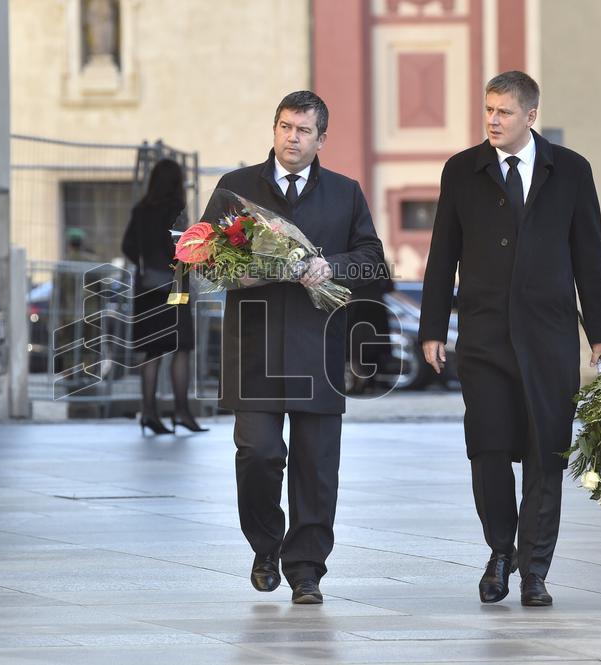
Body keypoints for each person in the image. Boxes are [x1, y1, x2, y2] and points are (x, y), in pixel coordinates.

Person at [419, 71, 601, 607]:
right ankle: (499, 550)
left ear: (530, 115)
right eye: (488, 109)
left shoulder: (572, 171)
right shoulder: (462, 170)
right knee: (486, 450)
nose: (492, 120)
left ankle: (534, 568)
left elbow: (589, 257)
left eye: (504, 112)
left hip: (550, 337)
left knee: (544, 452)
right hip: (483, 336)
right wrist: (433, 327)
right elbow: (442, 254)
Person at [203, 91, 383, 604]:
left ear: (321, 138)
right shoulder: (236, 189)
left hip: (319, 350)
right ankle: (265, 545)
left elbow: (373, 259)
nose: (292, 137)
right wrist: (248, 266)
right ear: (274, 129)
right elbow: (205, 256)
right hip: (253, 348)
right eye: (285, 127)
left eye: (304, 130)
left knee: (317, 466)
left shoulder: (345, 193)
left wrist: (335, 266)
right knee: (257, 454)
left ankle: (306, 570)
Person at [121, 158, 207, 434]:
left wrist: (147, 266)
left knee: (151, 351)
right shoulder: (176, 211)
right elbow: (184, 250)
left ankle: (148, 412)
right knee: (180, 347)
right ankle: (181, 412)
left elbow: (127, 246)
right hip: (175, 290)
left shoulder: (141, 210)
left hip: (146, 290)